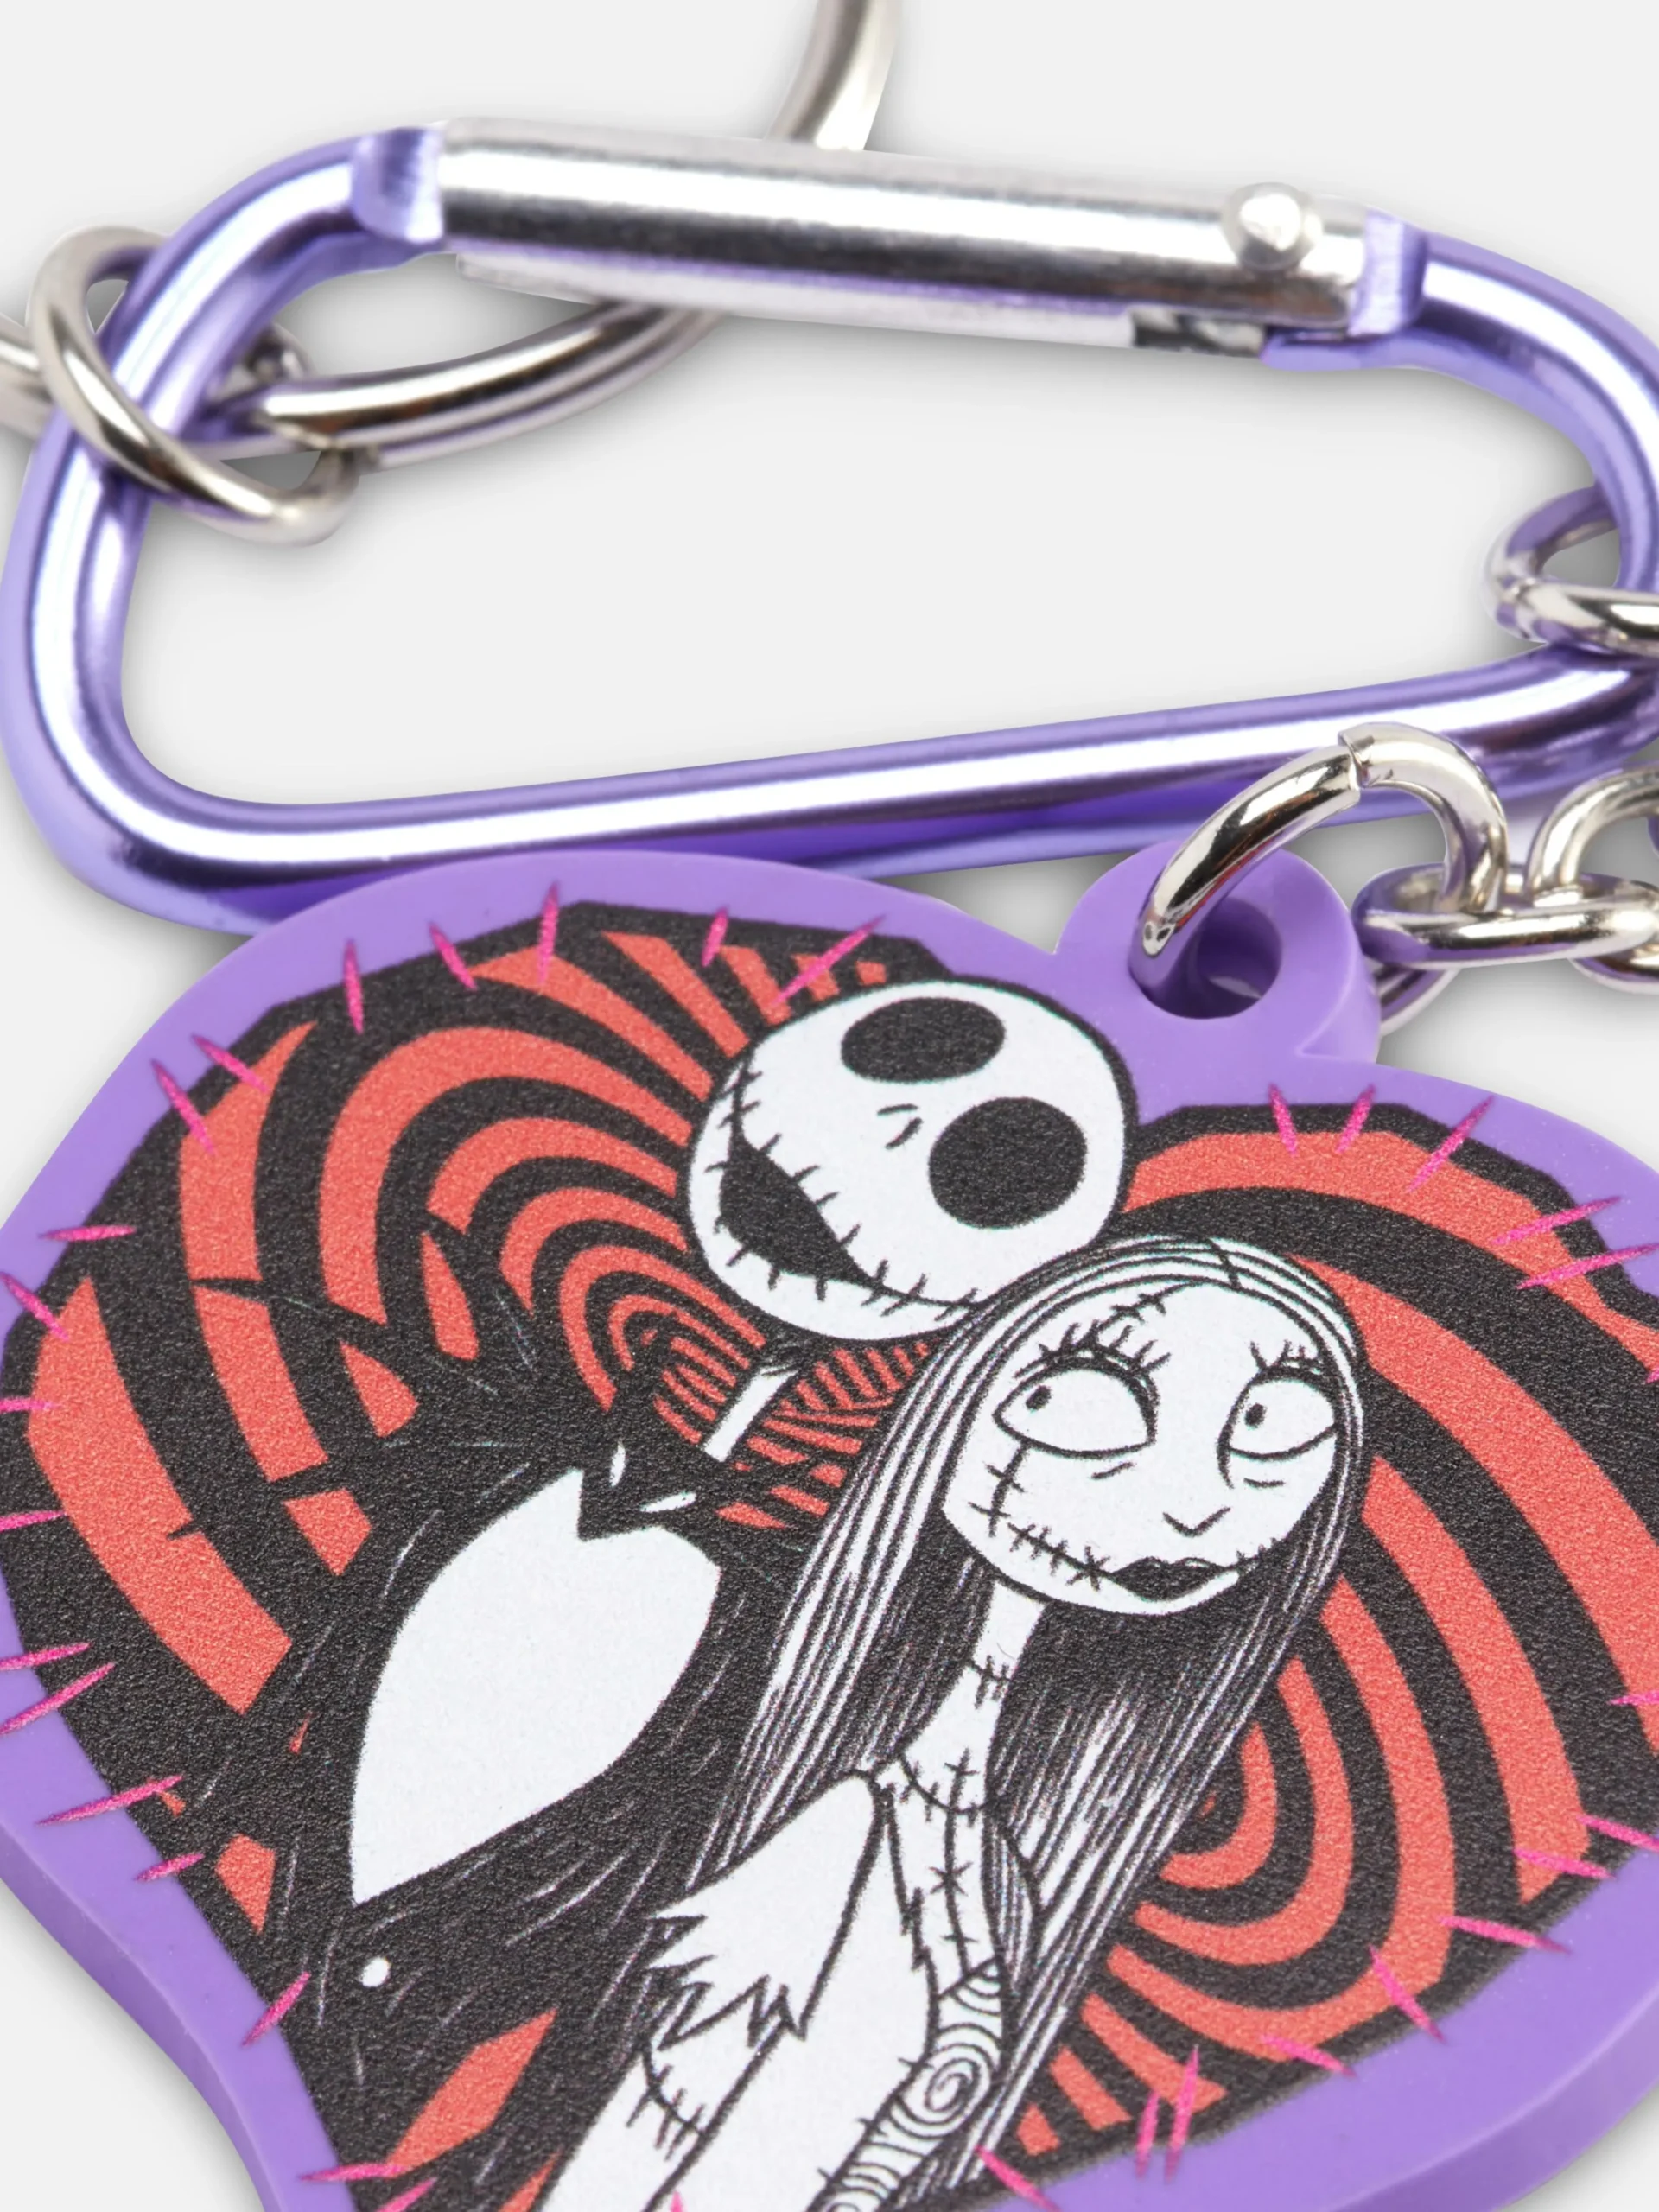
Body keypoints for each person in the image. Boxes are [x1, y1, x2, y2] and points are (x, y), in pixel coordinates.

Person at [547, 1234, 1367, 2212]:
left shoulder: (1008, 1868)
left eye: (1273, 1430)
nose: (1193, 1502)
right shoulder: (831, 1833)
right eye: (1086, 1401)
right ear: (954, 1411)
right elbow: (644, 2136)